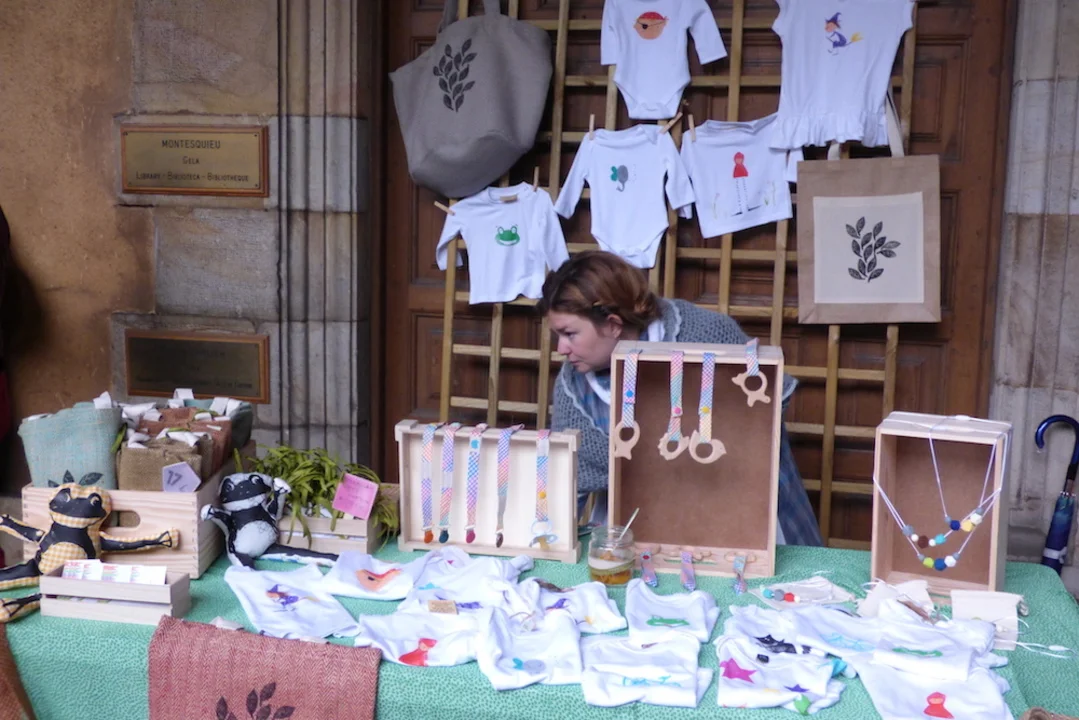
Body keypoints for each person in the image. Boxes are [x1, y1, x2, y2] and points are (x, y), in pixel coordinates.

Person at [539, 250, 823, 546]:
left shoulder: (705, 334)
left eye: (569, 334)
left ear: (613, 324)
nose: (561, 348)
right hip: (642, 523)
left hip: (740, 504)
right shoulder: (574, 385)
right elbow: (568, 479)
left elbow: (763, 408)